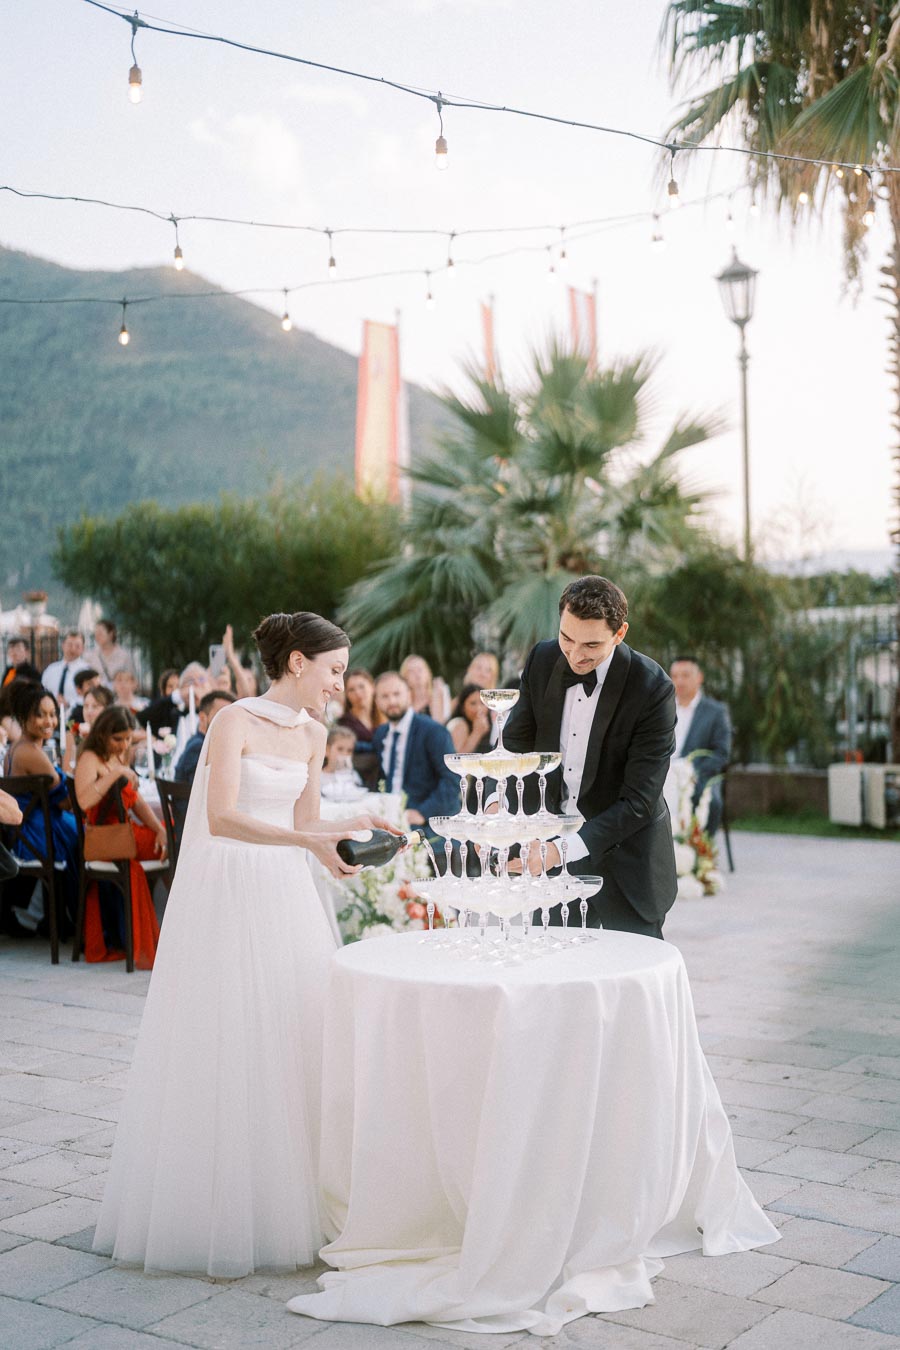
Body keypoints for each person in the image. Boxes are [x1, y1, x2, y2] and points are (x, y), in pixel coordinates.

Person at [93, 610, 404, 1277]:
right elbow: (222, 817)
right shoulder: (233, 720)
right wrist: (307, 843)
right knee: (232, 1037)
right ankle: (220, 1204)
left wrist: (349, 835)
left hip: (287, 892)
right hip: (232, 889)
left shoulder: (314, 734)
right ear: (298, 663)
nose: (339, 686)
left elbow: (306, 818)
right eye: (333, 671)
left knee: (296, 1032)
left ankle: (295, 1193)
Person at [502, 575, 677, 939]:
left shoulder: (652, 689)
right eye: (567, 638)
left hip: (626, 861)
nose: (576, 655)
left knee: (629, 985)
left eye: (592, 644)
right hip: (550, 862)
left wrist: (561, 850)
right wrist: (496, 801)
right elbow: (515, 748)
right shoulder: (542, 659)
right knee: (551, 976)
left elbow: (640, 801)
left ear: (620, 633)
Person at [74, 706, 165, 969]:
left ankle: (176, 926)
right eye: (118, 739)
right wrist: (116, 773)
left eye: (127, 739)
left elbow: (135, 802)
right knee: (179, 845)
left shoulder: (117, 756)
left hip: (125, 834)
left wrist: (159, 829)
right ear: (102, 734)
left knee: (171, 833)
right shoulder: (90, 758)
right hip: (109, 838)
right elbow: (84, 801)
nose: (124, 744)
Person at [2, 680, 80, 934]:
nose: (49, 721)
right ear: (25, 717)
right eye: (41, 715)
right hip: (37, 834)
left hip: (34, 827)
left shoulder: (20, 748)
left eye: (53, 714)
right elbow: (67, 801)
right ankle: (81, 920)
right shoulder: (30, 753)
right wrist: (71, 755)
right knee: (86, 839)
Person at [372, 672, 459, 832]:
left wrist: (422, 813)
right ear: (377, 701)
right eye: (384, 696)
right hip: (389, 819)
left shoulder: (433, 731)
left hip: (427, 823)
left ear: (409, 695)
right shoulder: (381, 734)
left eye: (397, 694)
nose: (392, 701)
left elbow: (453, 780)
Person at [669, 656, 732, 834]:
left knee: (712, 802)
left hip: (697, 776)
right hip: (662, 775)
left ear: (699, 677)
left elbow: (721, 753)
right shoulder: (661, 708)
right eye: (674, 676)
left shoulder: (716, 712)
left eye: (685, 675)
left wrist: (694, 774)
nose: (679, 681)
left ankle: (699, 855)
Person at [173, 689, 237, 786]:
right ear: (203, 718)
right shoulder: (199, 747)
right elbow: (199, 791)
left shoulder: (198, 741)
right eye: (222, 715)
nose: (228, 722)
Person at [42, 630, 90, 710]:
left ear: (82, 648)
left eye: (77, 646)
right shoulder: (51, 670)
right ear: (63, 645)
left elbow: (90, 697)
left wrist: (69, 703)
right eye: (69, 645)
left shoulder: (87, 671)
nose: (73, 649)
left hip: (76, 718)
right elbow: (42, 691)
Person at [399, 654, 451, 724]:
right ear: (405, 678)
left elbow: (439, 724)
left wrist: (436, 695)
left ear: (428, 672)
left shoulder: (440, 691)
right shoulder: (403, 702)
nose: (417, 674)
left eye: (420, 669)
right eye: (411, 671)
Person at [446, 683, 493, 753]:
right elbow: (457, 757)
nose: (479, 708)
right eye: (473, 703)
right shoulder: (460, 724)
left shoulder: (490, 725)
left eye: (483, 703)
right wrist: (477, 733)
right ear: (463, 707)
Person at [85, 619, 133, 687]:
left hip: (118, 695)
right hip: (98, 695)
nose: (97, 637)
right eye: (95, 634)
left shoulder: (124, 656)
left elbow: (131, 680)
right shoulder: (91, 656)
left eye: (100, 633)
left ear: (111, 634)